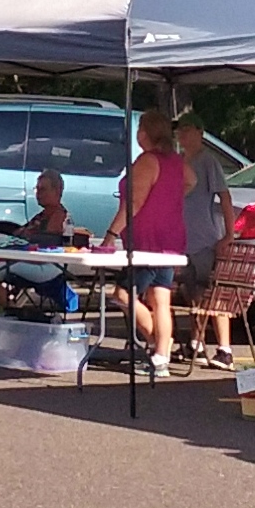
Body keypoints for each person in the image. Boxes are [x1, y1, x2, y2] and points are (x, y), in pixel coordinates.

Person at [104, 110, 188, 377]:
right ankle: (161, 356)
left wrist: (111, 234)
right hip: (170, 239)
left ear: (144, 134)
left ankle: (155, 345)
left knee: (123, 294)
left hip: (146, 242)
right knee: (160, 298)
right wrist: (167, 200)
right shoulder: (176, 161)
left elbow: (134, 203)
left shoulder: (147, 161)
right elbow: (191, 181)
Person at [174, 112, 238, 370]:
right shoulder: (178, 161)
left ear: (200, 133)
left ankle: (224, 349)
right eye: (179, 131)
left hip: (204, 239)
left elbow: (225, 197)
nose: (182, 135)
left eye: (187, 130)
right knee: (193, 294)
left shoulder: (208, 161)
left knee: (214, 294)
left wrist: (229, 234)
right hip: (183, 239)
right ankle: (196, 343)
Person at [0, 169, 80, 311]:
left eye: (43, 189)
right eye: (37, 189)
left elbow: (42, 243)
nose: (38, 193)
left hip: (46, 266)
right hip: (26, 259)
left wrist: (20, 239)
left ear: (57, 191)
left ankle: (13, 310)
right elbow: (21, 235)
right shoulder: (42, 215)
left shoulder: (59, 217)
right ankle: (11, 308)